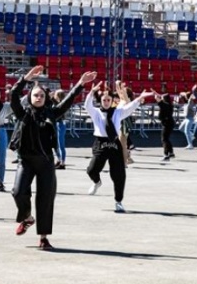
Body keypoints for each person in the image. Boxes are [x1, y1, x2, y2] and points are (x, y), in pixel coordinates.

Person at [9, 66, 95, 250]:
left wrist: (80, 84)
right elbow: (13, 96)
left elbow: (68, 101)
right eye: (35, 95)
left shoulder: (51, 113)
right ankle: (27, 218)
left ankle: (43, 238)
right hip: (26, 160)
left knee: (45, 199)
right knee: (18, 192)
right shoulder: (22, 113)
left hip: (46, 162)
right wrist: (25, 78)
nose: (38, 98)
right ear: (30, 97)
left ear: (46, 98)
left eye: (41, 96)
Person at [85, 82, 154, 213]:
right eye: (104, 100)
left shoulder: (117, 112)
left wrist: (139, 98)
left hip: (114, 143)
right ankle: (97, 182)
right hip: (101, 143)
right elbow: (87, 105)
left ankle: (118, 201)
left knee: (119, 175)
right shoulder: (96, 113)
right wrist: (91, 92)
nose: (106, 102)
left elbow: (129, 108)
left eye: (108, 100)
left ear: (111, 101)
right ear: (100, 100)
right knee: (92, 170)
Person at [152, 91, 176, 161]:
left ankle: (166, 154)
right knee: (166, 138)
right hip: (169, 122)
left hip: (167, 123)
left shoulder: (165, 105)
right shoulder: (169, 104)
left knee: (164, 139)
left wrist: (156, 96)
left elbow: (160, 102)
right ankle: (171, 152)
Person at [50, 89, 69, 169]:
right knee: (55, 144)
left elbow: (58, 106)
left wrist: (52, 98)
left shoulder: (62, 104)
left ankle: (62, 162)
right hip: (55, 124)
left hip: (60, 124)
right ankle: (58, 159)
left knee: (60, 144)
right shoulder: (56, 103)